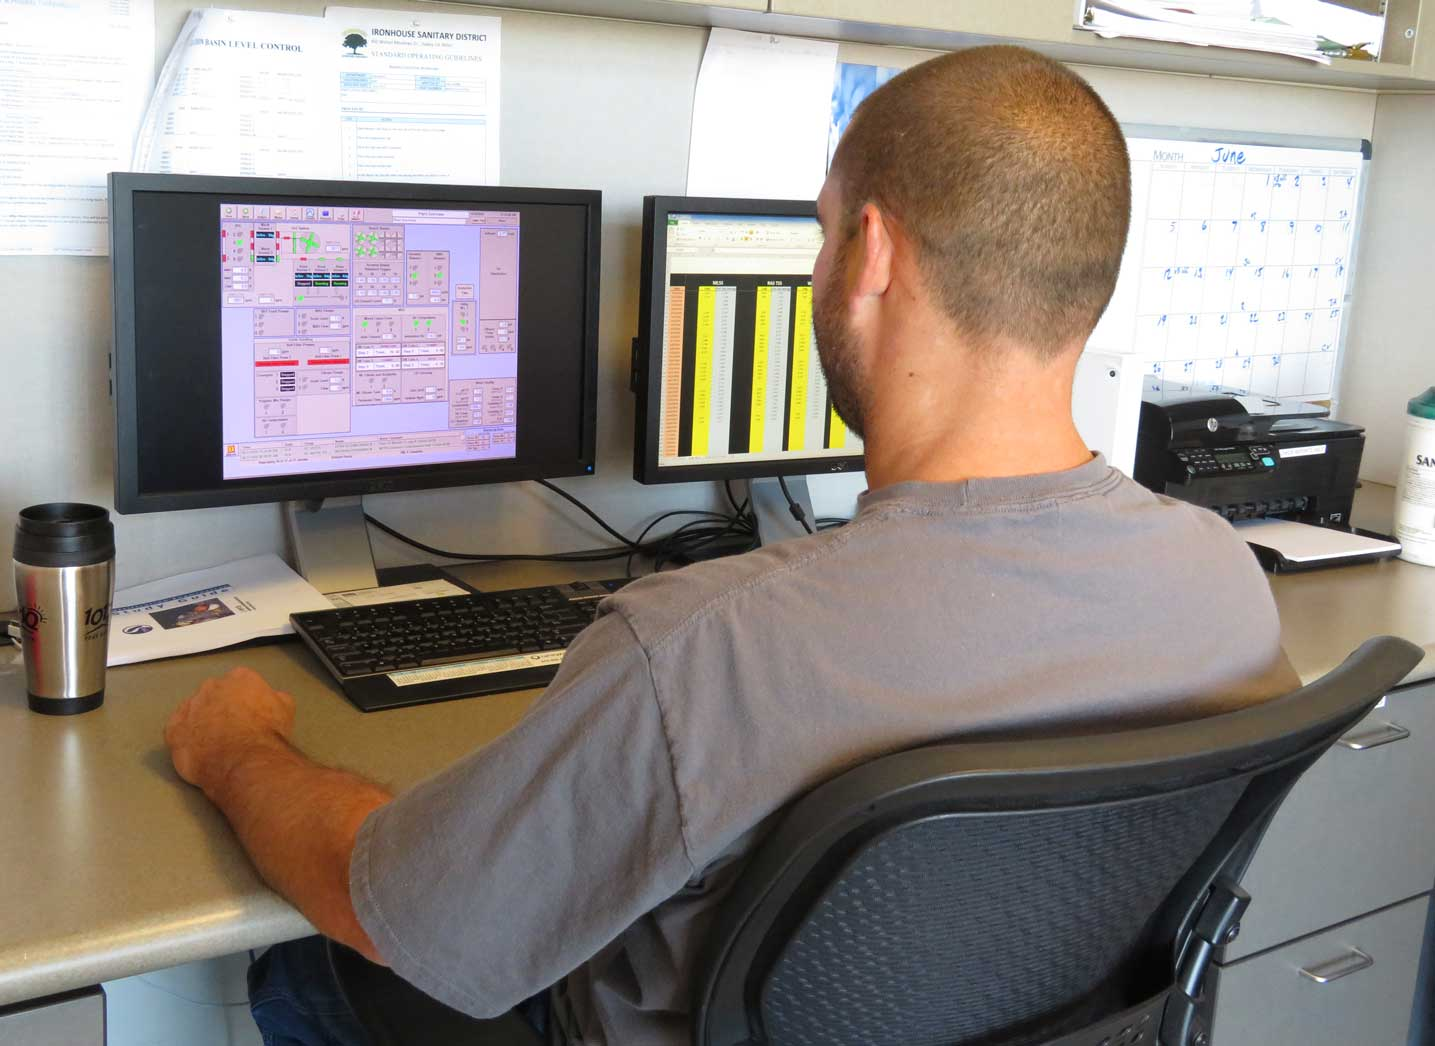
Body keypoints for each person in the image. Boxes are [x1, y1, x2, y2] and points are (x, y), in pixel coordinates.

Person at [164, 45, 1299, 1046]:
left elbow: (390, 904)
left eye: (817, 233)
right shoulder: (1222, 585)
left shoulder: (698, 650)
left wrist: (234, 751)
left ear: (872, 257)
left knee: (305, 969)